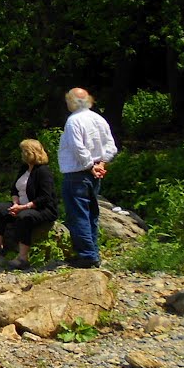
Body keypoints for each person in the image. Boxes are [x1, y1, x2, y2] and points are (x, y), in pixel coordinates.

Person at [57, 87, 118, 268]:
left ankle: (86, 255)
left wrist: (91, 165)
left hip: (77, 173)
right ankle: (93, 252)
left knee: (78, 214)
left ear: (73, 102)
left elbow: (78, 148)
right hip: (94, 173)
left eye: (68, 100)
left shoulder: (73, 121)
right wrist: (101, 163)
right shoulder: (99, 119)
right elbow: (111, 147)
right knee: (92, 214)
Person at [0, 138, 58, 270]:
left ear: (32, 153)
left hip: (42, 208)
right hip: (21, 205)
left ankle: (23, 258)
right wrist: (15, 203)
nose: (22, 154)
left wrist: (24, 207)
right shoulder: (24, 168)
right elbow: (14, 189)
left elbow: (45, 197)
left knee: (24, 217)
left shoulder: (43, 171)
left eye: (24, 151)